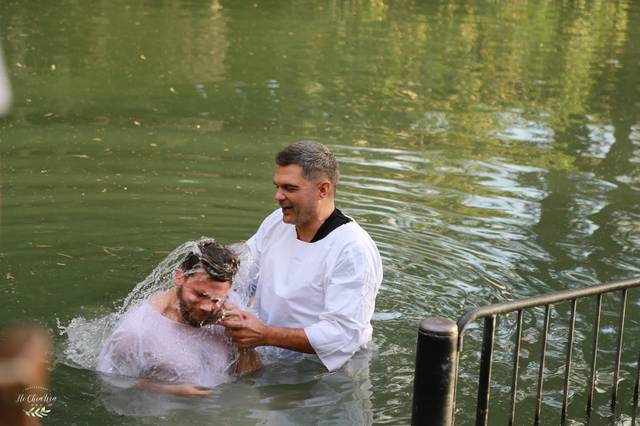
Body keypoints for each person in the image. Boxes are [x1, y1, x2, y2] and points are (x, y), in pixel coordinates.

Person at [222, 141, 383, 371]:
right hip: (268, 350)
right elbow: (242, 270)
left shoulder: (352, 249)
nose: (278, 196)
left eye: (290, 188)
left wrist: (266, 334)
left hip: (327, 373)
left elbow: (342, 336)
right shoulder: (277, 221)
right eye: (277, 186)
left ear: (323, 190)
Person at [96, 241, 261, 397]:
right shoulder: (136, 331)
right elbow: (108, 382)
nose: (207, 307)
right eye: (200, 295)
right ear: (179, 277)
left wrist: (242, 341)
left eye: (217, 299)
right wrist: (170, 391)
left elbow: (252, 377)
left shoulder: (230, 305)